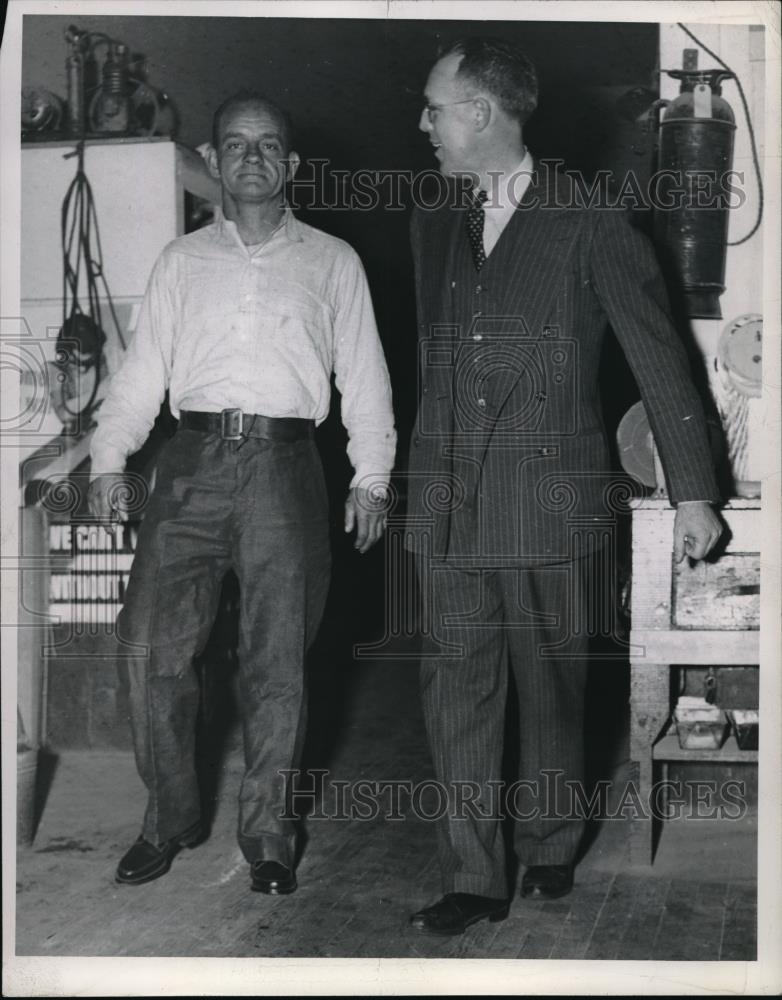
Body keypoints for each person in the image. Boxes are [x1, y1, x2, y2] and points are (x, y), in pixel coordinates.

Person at [405, 38, 723, 936]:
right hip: (448, 498)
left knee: (550, 688)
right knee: (453, 690)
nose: (421, 123)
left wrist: (693, 490)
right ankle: (472, 873)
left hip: (548, 494)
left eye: (433, 106)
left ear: (480, 113)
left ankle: (549, 843)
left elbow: (658, 353)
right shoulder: (430, 217)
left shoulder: (590, 216)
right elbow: (435, 357)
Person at [87, 90, 395, 895]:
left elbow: (365, 377)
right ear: (214, 162)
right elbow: (140, 375)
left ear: (290, 166)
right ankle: (169, 819)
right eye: (235, 144)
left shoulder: (333, 262)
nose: (252, 157)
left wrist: (373, 478)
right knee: (151, 647)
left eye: (268, 145)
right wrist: (109, 462)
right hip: (189, 465)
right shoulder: (180, 262)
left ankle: (267, 835)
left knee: (277, 664)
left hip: (287, 471)